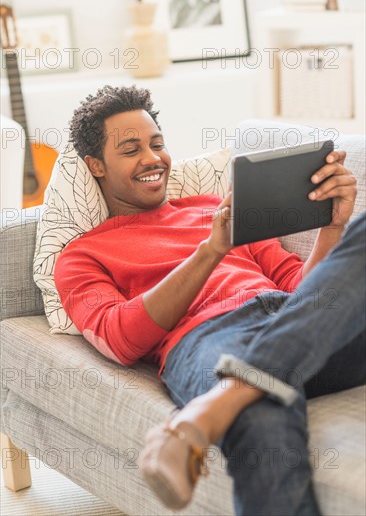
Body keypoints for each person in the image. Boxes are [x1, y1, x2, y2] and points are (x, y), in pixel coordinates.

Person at [54, 85, 365, 516]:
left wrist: (333, 228)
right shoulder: (81, 255)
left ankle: (220, 402)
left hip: (297, 324)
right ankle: (240, 394)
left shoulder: (212, 206)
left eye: (157, 144)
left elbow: (304, 292)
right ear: (95, 166)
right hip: (211, 341)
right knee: (260, 418)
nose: (152, 159)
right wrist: (211, 249)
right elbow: (120, 339)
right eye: (130, 149)